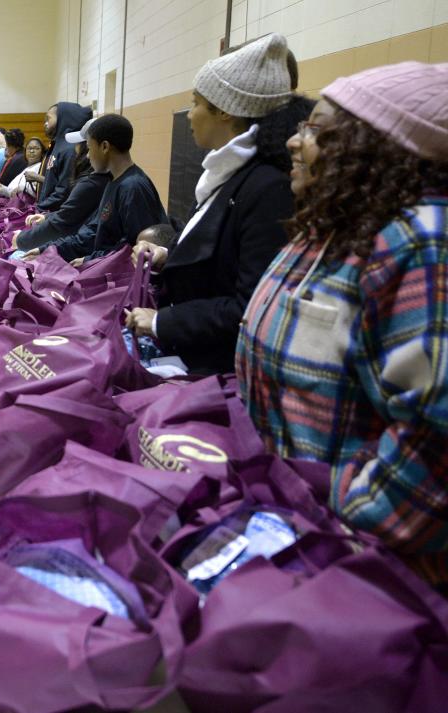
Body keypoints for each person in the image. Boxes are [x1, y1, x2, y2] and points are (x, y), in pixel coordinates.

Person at [236, 61, 448, 592]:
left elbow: (436, 445)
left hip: (361, 566)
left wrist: (343, 514)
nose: (293, 142)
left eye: (316, 130)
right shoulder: (332, 225)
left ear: (374, 149)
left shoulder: (420, 243)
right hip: (293, 523)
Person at [125, 33, 296, 375]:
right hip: (193, 352)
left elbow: (251, 306)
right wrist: (166, 257)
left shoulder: (269, 187)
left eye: (196, 103)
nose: (189, 115)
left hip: (218, 370)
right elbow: (218, 256)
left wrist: (163, 321)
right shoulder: (226, 175)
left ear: (224, 112)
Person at [20, 115, 166, 264]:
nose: (88, 155)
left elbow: (134, 251)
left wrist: (89, 260)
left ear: (104, 147)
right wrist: (48, 249)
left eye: (89, 147)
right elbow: (93, 232)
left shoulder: (133, 187)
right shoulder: (113, 181)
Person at [12, 129, 110, 252]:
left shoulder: (91, 183)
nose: (88, 155)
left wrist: (22, 240)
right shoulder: (97, 179)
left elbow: (64, 221)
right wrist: (47, 218)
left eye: (89, 147)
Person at [36, 102, 93, 211]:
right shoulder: (58, 144)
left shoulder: (70, 149)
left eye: (48, 119)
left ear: (64, 119)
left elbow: (64, 190)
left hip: (58, 214)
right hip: (48, 210)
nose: (45, 124)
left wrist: (41, 208)